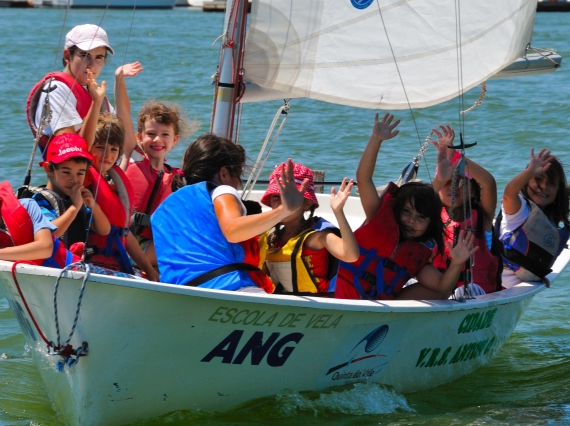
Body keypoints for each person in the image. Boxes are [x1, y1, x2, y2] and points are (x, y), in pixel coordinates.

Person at [334, 114, 477, 301]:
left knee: (441, 293)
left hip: (380, 309)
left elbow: (443, 286)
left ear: (430, 224)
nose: (411, 220)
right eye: (406, 213)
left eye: (420, 218)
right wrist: (376, 139)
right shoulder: (377, 215)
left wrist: (456, 263)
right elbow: (363, 178)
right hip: (341, 298)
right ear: (398, 210)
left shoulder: (420, 254)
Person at [151, 134, 307, 292]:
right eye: (238, 176)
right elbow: (233, 231)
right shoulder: (222, 190)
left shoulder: (164, 210)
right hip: (227, 289)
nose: (237, 185)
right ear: (224, 174)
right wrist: (284, 210)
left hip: (178, 294)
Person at [26, 24, 142, 153]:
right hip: (75, 172)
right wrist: (96, 102)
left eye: (99, 57)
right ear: (67, 56)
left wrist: (119, 80)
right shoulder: (57, 90)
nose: (92, 65)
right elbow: (72, 150)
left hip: (100, 169)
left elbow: (125, 136)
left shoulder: (92, 91)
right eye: (85, 55)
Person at [261, 162, 359, 295]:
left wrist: (338, 212)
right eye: (276, 197)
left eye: (289, 196)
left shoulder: (316, 237)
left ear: (306, 204)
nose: (282, 202)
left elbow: (351, 255)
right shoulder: (271, 239)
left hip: (314, 308)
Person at [494, 148, 570, 288]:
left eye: (551, 183)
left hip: (517, 288)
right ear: (527, 182)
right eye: (538, 179)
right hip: (497, 286)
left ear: (558, 190)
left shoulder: (548, 219)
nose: (544, 186)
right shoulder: (520, 208)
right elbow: (509, 194)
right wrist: (529, 172)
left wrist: (537, 274)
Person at [430, 125, 502, 295]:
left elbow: (489, 183)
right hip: (440, 293)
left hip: (475, 294)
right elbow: (424, 196)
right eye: (446, 183)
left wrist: (456, 157)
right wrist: (443, 172)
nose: (453, 186)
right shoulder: (429, 215)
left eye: (461, 183)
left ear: (473, 191)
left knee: (465, 292)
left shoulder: (482, 218)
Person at [85, 113, 158, 279]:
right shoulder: (84, 179)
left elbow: (124, 232)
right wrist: (96, 101)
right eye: (100, 147)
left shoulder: (113, 187)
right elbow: (83, 145)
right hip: (92, 264)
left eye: (113, 149)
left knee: (161, 277)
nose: (107, 155)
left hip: (116, 263)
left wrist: (149, 269)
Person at [123, 100, 191, 266]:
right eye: (151, 134)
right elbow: (123, 116)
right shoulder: (136, 159)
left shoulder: (175, 178)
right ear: (139, 137)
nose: (157, 139)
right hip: (128, 243)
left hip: (152, 244)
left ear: (174, 139)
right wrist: (120, 79)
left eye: (165, 134)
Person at [23, 133, 111, 249]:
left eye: (80, 173)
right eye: (66, 172)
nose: (74, 180)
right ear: (49, 169)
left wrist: (93, 205)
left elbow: (104, 230)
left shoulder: (77, 199)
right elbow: (49, 236)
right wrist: (74, 208)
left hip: (76, 262)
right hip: (53, 265)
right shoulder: (40, 202)